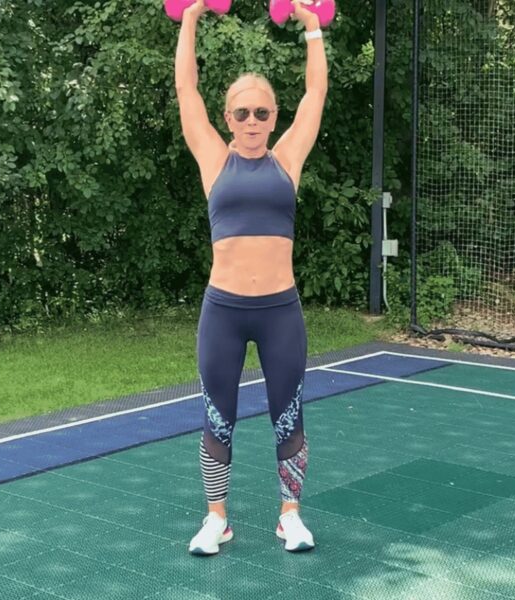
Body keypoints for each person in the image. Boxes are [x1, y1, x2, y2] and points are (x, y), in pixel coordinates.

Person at [174, 0, 328, 555]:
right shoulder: (215, 160)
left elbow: (315, 96)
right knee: (218, 414)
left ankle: (291, 516)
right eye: (242, 113)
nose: (253, 122)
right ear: (227, 118)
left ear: (274, 117)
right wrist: (190, 17)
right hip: (224, 311)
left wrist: (312, 31)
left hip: (279, 311)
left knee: (289, 412)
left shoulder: (288, 159)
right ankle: (217, 518)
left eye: (263, 113)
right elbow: (187, 92)